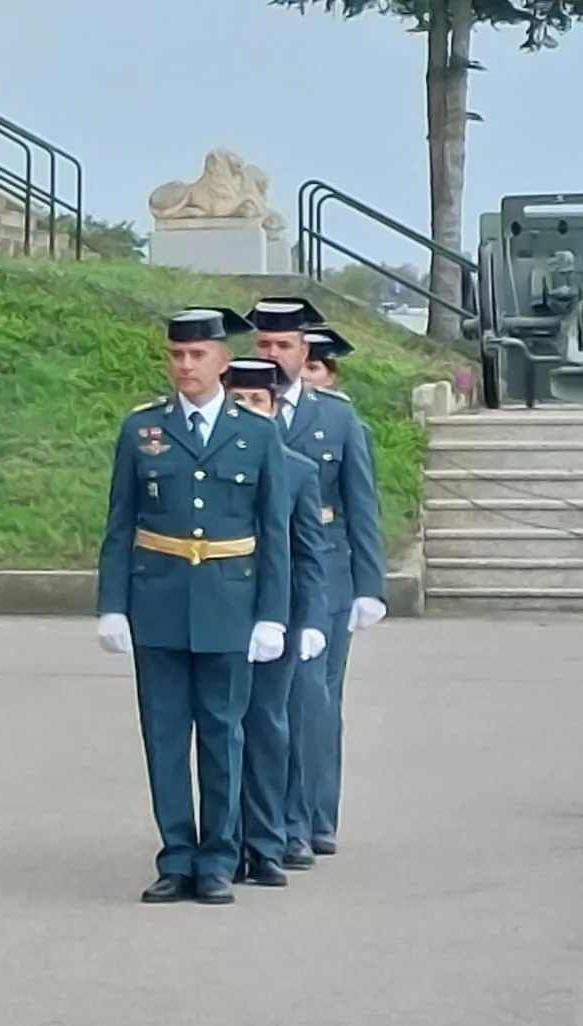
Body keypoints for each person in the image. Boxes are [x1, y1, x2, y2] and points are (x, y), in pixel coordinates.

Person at [95, 306, 291, 907]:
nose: (185, 365)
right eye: (177, 354)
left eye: (197, 354)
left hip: (231, 602)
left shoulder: (257, 433)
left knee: (222, 736)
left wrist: (273, 615)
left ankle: (218, 858)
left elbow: (274, 530)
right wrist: (112, 605)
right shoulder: (143, 430)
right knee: (164, 737)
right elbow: (120, 523)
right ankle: (176, 856)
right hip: (158, 601)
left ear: (222, 362)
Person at [250, 300, 386, 860]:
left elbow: (361, 503)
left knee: (312, 702)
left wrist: (369, 584)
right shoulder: (241, 406)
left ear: (306, 352)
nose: (272, 355)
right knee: (265, 705)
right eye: (263, 345)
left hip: (323, 574)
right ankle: (267, 819)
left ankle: (305, 819)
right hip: (255, 575)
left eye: (284, 346)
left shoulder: (336, 417)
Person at [223, 357, 331, 886]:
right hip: (223, 613)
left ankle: (270, 839)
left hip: (278, 619)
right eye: (238, 401)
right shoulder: (213, 462)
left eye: (258, 402)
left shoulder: (299, 471)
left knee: (268, 727)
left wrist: (310, 620)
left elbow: (311, 554)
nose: (248, 411)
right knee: (224, 729)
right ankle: (227, 836)